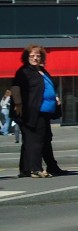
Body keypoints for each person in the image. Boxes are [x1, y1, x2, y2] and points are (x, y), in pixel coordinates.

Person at [8, 44, 67, 178]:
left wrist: (55, 98)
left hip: (44, 111)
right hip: (32, 111)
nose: (35, 58)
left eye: (38, 56)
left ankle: (40, 168)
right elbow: (15, 87)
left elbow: (46, 87)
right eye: (32, 56)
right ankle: (35, 168)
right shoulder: (24, 71)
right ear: (26, 57)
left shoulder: (41, 70)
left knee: (44, 139)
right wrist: (18, 103)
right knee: (36, 140)